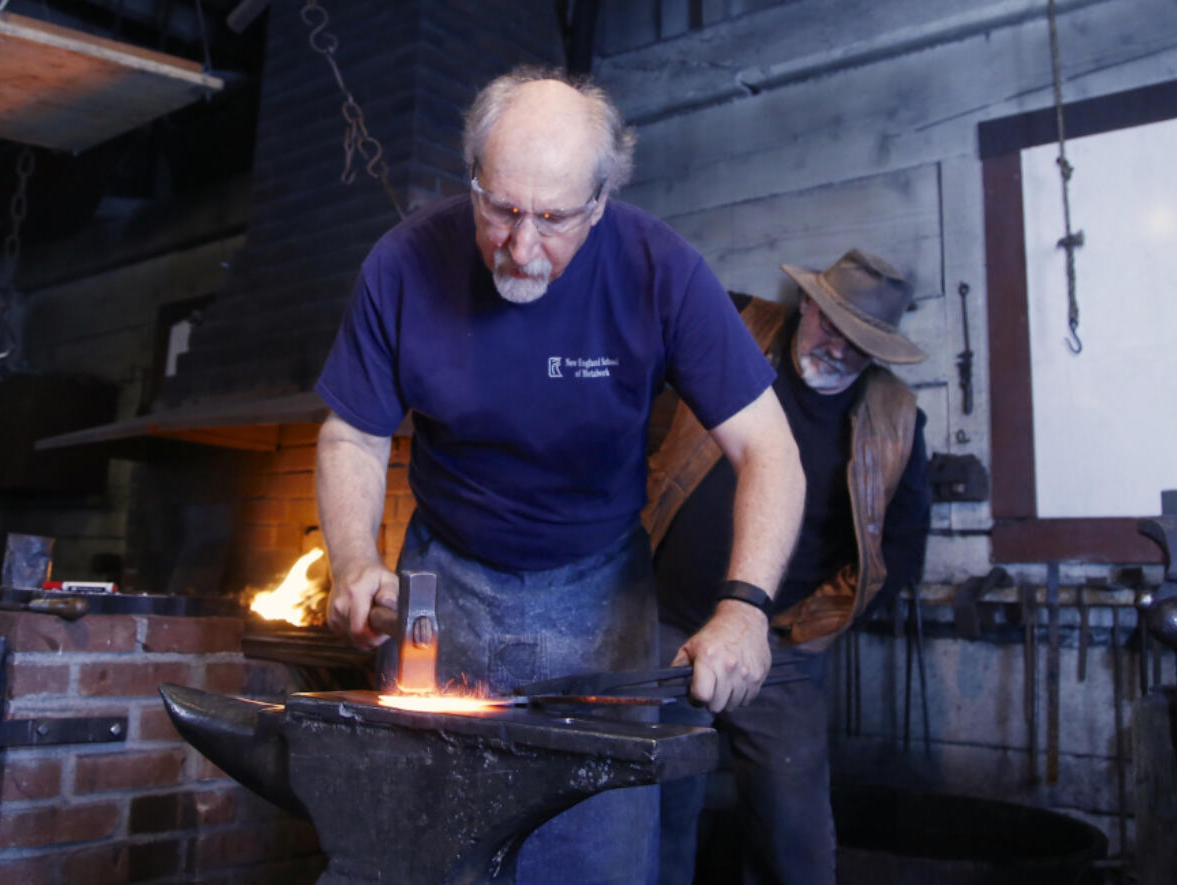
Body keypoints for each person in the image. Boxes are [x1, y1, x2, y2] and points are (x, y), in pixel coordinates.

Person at [313, 65, 805, 884]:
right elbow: (353, 435)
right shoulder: (403, 263)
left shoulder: (661, 269)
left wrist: (745, 605)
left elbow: (769, 449)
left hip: (601, 602)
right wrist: (355, 560)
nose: (521, 246)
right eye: (500, 209)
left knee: (593, 856)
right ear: (472, 179)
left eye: (553, 219)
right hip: (443, 589)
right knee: (421, 847)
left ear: (601, 201)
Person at [651, 249, 932, 885]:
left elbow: (904, 546)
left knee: (793, 833)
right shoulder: (735, 330)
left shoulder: (897, 419)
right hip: (667, 625)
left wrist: (812, 625)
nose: (836, 348)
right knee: (657, 812)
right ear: (807, 304)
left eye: (859, 344)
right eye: (831, 325)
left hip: (779, 648)